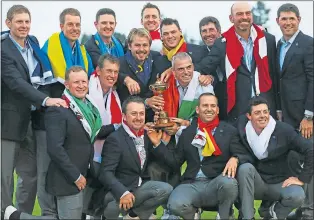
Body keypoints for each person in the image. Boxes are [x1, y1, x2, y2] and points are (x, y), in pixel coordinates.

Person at [1, 4, 66, 215]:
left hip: (31, 119)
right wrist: (46, 100)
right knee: (5, 177)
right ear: (8, 23)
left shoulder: (34, 43)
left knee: (30, 174)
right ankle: (3, 213)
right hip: (8, 121)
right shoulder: (3, 50)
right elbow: (16, 82)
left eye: (27, 21)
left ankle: (23, 215)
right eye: (19, 21)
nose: (24, 25)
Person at [147, 93, 240, 219]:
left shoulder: (229, 131)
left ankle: (225, 214)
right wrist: (158, 144)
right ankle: (193, 213)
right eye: (205, 105)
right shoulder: (188, 132)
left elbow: (242, 152)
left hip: (216, 181)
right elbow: (175, 161)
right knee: (175, 205)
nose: (209, 109)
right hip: (192, 183)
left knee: (229, 183)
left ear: (217, 110)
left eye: (213, 106)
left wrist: (235, 158)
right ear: (197, 109)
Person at [193, 2, 277, 123]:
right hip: (239, 110)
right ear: (231, 18)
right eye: (239, 14)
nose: (244, 17)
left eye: (247, 13)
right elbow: (204, 66)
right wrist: (174, 68)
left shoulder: (267, 39)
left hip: (265, 107)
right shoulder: (222, 43)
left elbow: (274, 74)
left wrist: (278, 108)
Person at [233, 96, 313, 219]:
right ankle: (247, 217)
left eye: (265, 112)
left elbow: (310, 149)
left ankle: (273, 213)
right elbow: (231, 141)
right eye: (257, 112)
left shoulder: (283, 130)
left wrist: (302, 178)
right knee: (245, 168)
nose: (262, 116)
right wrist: (235, 157)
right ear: (249, 116)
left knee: (297, 195)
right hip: (256, 182)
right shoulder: (241, 127)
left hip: (279, 182)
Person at [98, 96, 173, 219]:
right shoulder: (115, 139)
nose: (138, 118)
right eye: (134, 114)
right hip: (117, 193)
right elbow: (105, 173)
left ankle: (133, 215)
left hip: (139, 188)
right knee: (114, 207)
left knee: (166, 189)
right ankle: (111, 214)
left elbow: (168, 162)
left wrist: (158, 144)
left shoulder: (147, 135)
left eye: (141, 113)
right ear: (124, 116)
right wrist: (123, 193)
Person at [275, 3, 314, 219]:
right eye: (284, 19)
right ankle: (301, 207)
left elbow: (313, 78)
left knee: (310, 159)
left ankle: (309, 211)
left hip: (304, 117)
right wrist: (279, 110)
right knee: (293, 160)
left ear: (299, 19)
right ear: (278, 21)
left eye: (291, 18)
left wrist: (309, 116)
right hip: (287, 116)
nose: (288, 22)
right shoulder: (279, 45)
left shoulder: (308, 44)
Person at [42, 8, 94, 98]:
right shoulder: (50, 46)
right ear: (61, 26)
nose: (75, 28)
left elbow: (91, 75)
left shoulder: (82, 50)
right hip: (56, 98)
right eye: (70, 25)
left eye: (77, 25)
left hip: (80, 99)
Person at [116, 28, 160, 121]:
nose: (141, 49)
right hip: (130, 121)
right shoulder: (119, 64)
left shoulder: (157, 58)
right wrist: (125, 78)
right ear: (129, 46)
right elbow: (105, 72)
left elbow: (175, 63)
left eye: (145, 45)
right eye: (137, 45)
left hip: (153, 120)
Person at [153, 18, 213, 87]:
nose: (170, 36)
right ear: (161, 37)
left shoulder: (199, 51)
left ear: (180, 32)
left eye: (173, 32)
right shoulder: (158, 61)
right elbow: (153, 87)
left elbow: (214, 74)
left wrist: (210, 78)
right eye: (166, 34)